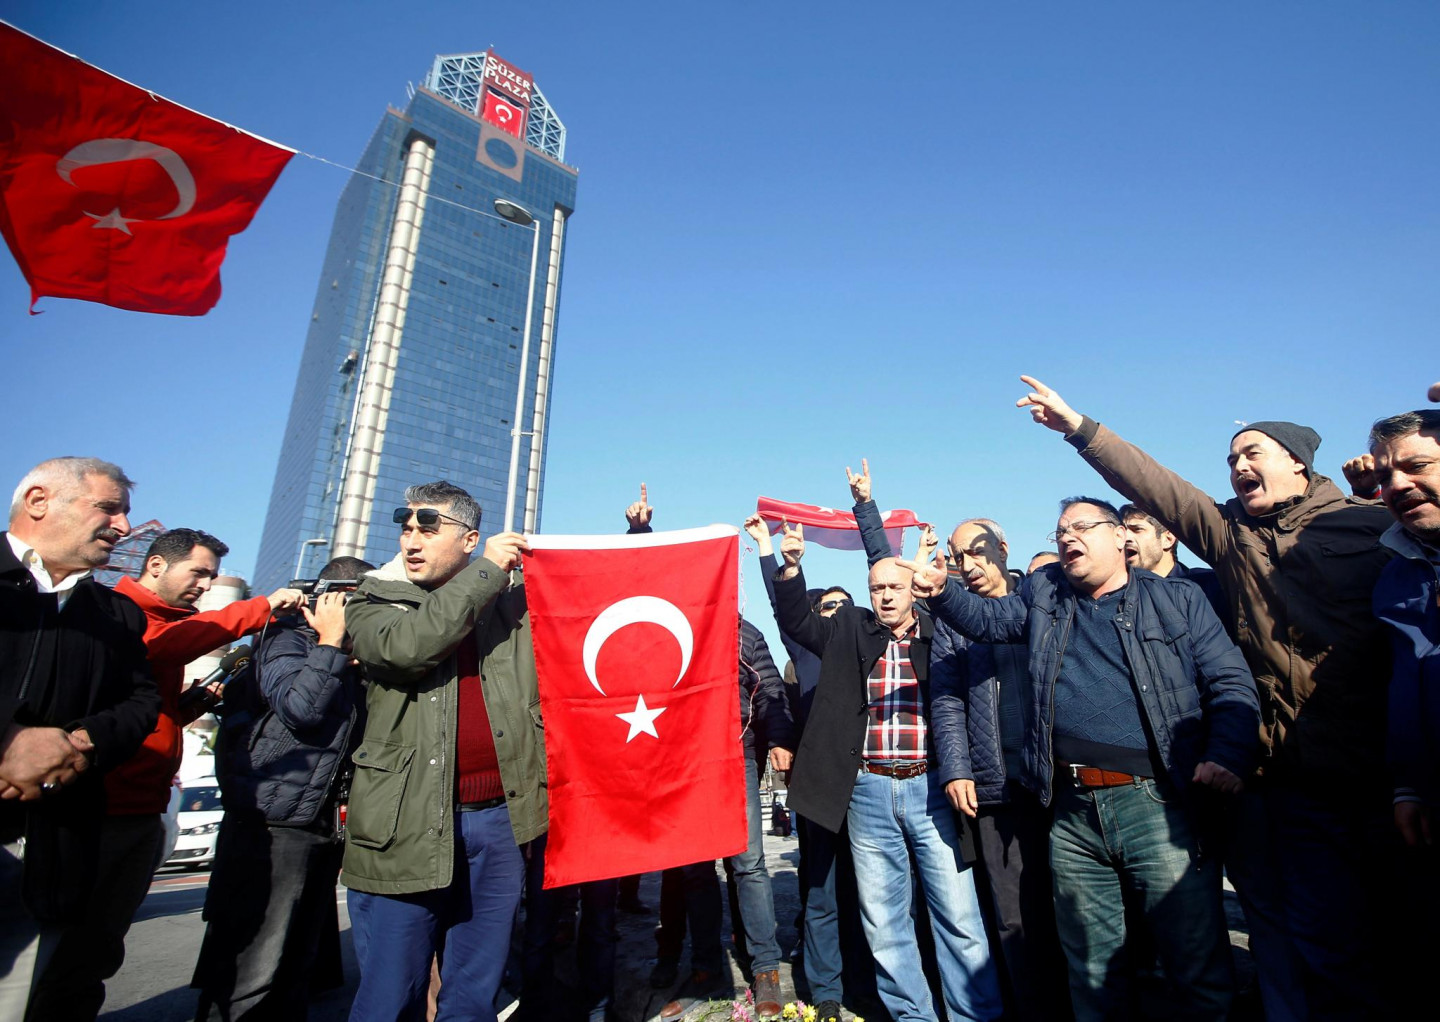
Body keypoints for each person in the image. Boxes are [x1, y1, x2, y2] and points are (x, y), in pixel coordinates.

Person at [1015, 376, 1398, 1019]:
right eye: (1230, 458)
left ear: (1298, 463)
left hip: (1368, 766)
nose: (1238, 465)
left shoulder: (1369, 524)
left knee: (1370, 929)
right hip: (1272, 770)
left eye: (1253, 453)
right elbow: (1156, 485)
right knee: (1286, 927)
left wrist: (1376, 491)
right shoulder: (1231, 535)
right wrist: (1079, 428)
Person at [910, 497, 1260, 1020]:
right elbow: (987, 619)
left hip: (1157, 806)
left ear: (1121, 536)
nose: (1067, 537)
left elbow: (1230, 682)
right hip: (1072, 813)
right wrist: (941, 591)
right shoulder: (1045, 595)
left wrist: (1227, 753)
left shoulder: (1177, 599)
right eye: (1059, 532)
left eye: (1081, 526)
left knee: (1194, 965)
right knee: (1092, 973)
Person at [29, 527, 302, 1020]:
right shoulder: (119, 613)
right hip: (103, 809)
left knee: (97, 948)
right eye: (198, 573)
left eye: (212, 577)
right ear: (156, 565)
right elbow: (164, 646)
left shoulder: (163, 621)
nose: (205, 585)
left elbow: (140, 706)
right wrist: (259, 608)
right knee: (70, 949)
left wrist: (183, 707)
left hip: (142, 808)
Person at [773, 512, 1002, 1022]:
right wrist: (789, 569)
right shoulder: (848, 629)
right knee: (884, 923)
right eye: (877, 588)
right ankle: (912, 1016)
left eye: (896, 587)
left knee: (958, 916)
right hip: (869, 794)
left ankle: (975, 1014)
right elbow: (797, 623)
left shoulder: (941, 631)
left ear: (912, 590)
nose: (886, 596)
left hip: (932, 790)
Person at [342, 481, 540, 1022]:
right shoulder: (374, 599)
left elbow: (589, 602)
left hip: (498, 823)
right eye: (406, 527)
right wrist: (487, 572)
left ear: (469, 539)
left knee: (474, 995)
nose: (412, 539)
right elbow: (407, 649)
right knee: (390, 997)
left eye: (429, 527)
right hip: (405, 823)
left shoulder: (508, 600)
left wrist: (634, 538)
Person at [624, 484, 792, 1021]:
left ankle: (765, 969)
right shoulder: (670, 625)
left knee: (749, 865)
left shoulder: (746, 634)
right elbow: (639, 587)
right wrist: (640, 533)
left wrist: (780, 739)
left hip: (736, 759)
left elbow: (770, 688)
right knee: (695, 869)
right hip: (683, 761)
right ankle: (704, 970)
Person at [0, 457, 159, 1019]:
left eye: (126, 513)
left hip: (48, 853)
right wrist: (9, 742)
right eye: (109, 508)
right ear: (39, 501)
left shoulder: (116, 615)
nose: (124, 527)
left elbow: (140, 703)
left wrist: (78, 743)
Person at [191, 554, 374, 1020]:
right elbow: (301, 709)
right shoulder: (285, 638)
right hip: (273, 823)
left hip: (321, 822)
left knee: (297, 964)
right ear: (333, 600)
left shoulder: (355, 655)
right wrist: (330, 642)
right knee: (253, 968)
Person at [927, 517, 1070, 1021]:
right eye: (957, 557)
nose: (967, 565)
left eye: (975, 551)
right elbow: (945, 699)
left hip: (1057, 783)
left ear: (1003, 548)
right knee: (1013, 918)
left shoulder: (1045, 599)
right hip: (994, 788)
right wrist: (956, 768)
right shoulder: (952, 619)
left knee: (1076, 907)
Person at [1367, 411, 1440, 936]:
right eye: (1385, 474)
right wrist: (1409, 788)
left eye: (1417, 466)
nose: (1396, 485)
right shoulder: (1396, 574)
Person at [1117, 504, 1227, 628]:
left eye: (1137, 529)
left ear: (1168, 539)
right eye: (1122, 532)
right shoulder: (1118, 597)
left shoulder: (1210, 586)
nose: (1126, 538)